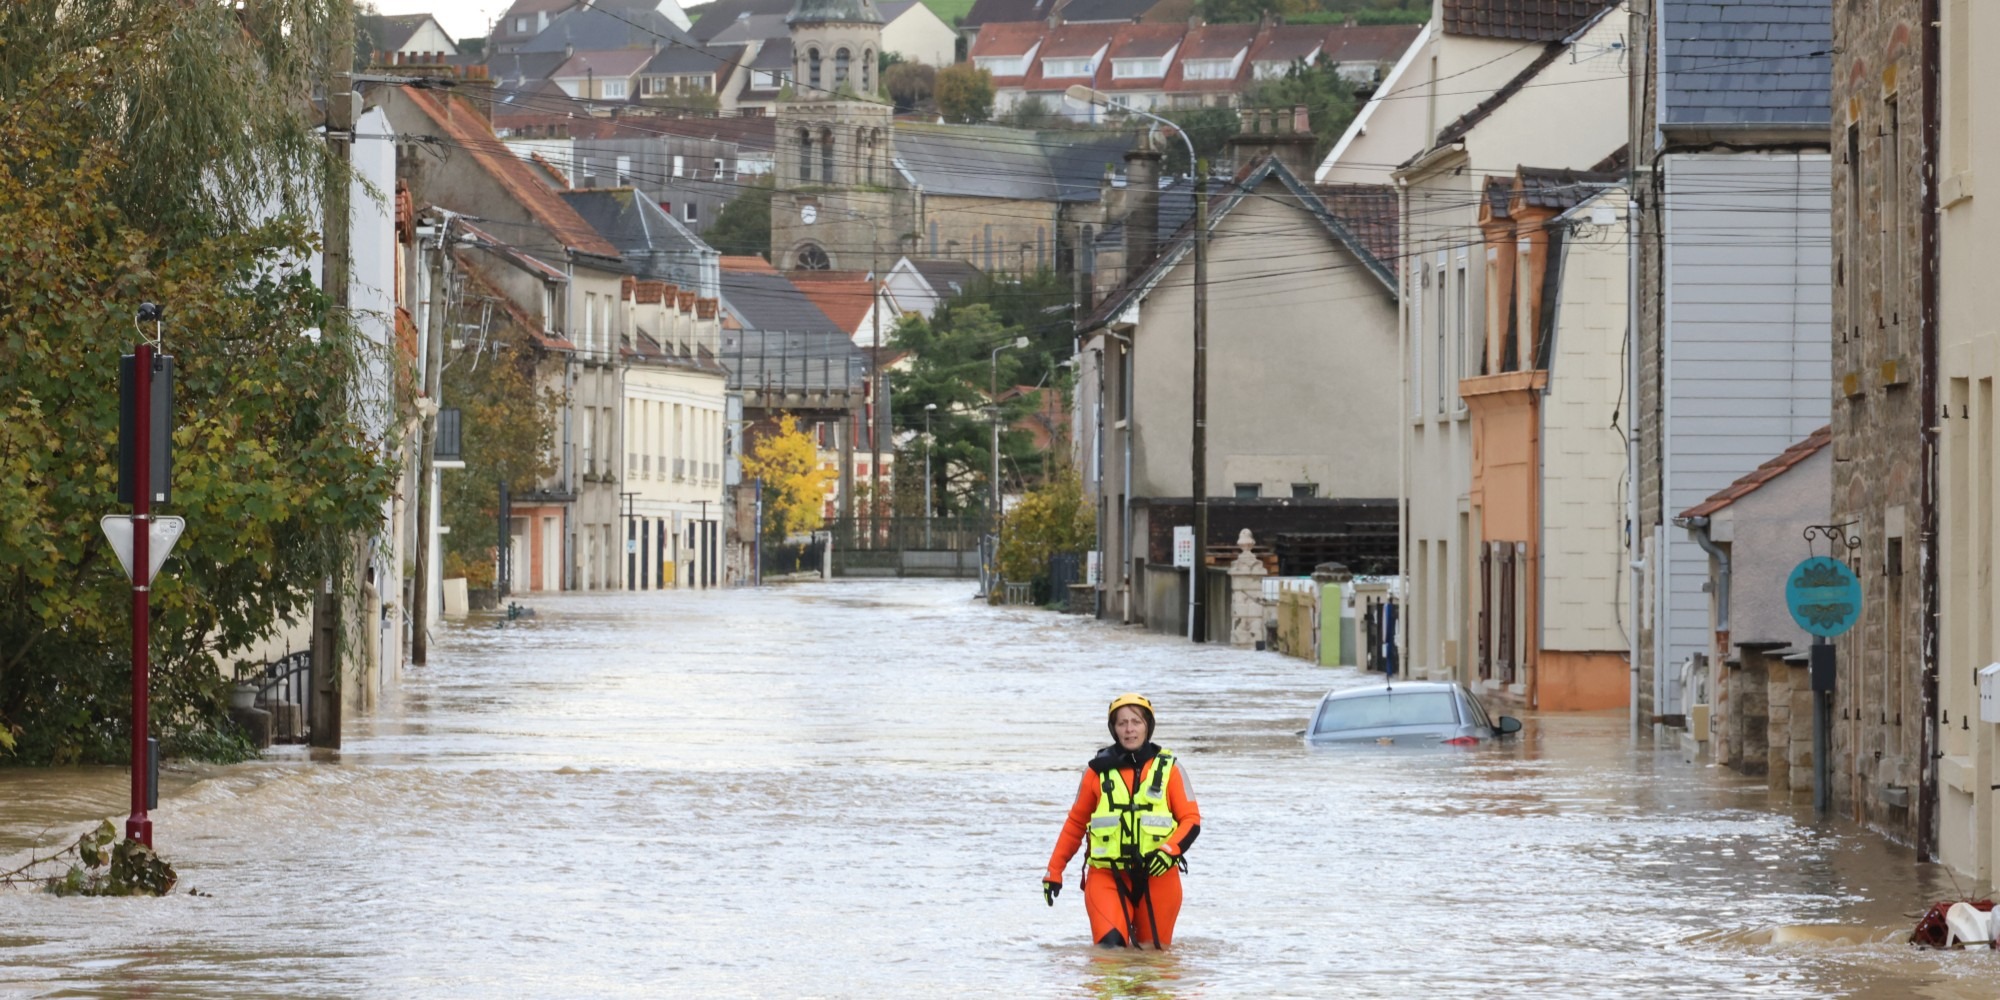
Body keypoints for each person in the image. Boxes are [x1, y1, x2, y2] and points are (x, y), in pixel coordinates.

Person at [1041, 693, 1202, 949]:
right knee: (1109, 955)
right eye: (1122, 723)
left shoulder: (1171, 769)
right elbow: (1075, 825)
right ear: (1113, 729)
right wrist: (1054, 871)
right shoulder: (1095, 772)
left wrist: (1169, 851)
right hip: (1107, 876)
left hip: (1158, 878)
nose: (1129, 729)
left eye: (1136, 722)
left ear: (1147, 725)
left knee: (1153, 961)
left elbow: (1191, 820)